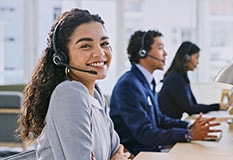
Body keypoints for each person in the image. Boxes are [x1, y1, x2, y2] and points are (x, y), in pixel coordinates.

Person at [17, 8, 130, 160]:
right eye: (86, 46)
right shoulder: (69, 93)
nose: (100, 53)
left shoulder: (95, 96)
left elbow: (118, 149)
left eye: (104, 43)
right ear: (62, 57)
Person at [109, 30, 221, 156]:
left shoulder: (147, 82)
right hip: (139, 154)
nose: (166, 54)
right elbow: (145, 134)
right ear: (143, 52)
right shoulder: (129, 85)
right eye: (160, 48)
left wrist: (189, 126)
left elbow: (160, 119)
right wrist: (188, 135)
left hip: (152, 149)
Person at [158, 41, 229, 119]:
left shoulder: (183, 78)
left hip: (173, 123)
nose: (197, 62)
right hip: (167, 126)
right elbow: (190, 109)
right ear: (186, 58)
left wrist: (217, 106)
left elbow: (194, 105)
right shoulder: (175, 79)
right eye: (196, 58)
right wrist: (217, 106)